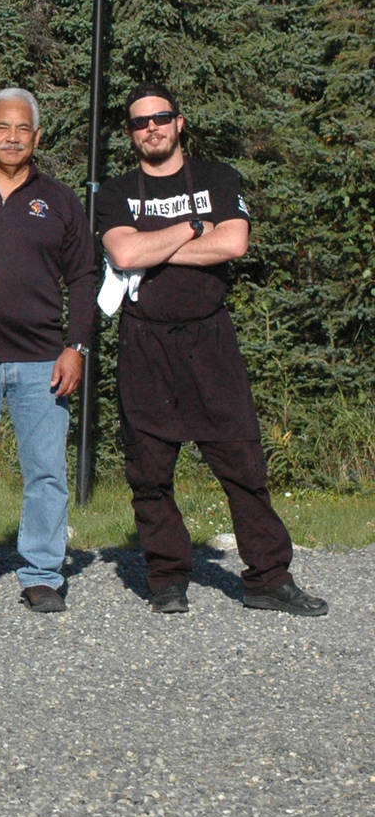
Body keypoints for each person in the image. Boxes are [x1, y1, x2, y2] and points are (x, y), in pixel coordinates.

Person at [96, 84, 326, 617]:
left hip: (210, 337)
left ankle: (268, 578)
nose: (150, 128)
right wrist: (195, 227)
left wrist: (157, 248)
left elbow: (234, 243)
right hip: (145, 340)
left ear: (179, 122)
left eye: (160, 118)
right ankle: (167, 579)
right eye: (139, 123)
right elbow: (125, 250)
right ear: (131, 134)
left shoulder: (219, 177)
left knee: (243, 462)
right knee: (149, 470)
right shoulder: (115, 192)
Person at [0, 88, 95, 614]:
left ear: (36, 137)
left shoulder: (59, 199)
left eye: (22, 128)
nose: (11, 137)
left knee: (46, 472)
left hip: (42, 360)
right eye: (2, 127)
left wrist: (75, 346)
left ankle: (42, 572)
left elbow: (83, 277)